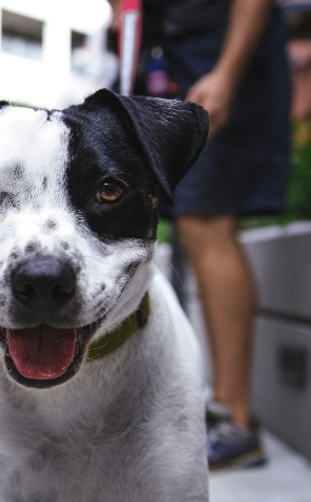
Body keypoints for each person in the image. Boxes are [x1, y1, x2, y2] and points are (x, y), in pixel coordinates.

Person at [109, 0, 292, 470]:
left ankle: (236, 421)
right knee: (172, 216)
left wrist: (228, 72)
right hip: (169, 51)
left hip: (225, 52)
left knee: (206, 220)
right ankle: (206, 408)